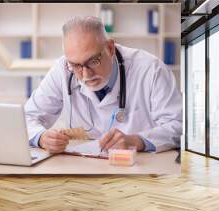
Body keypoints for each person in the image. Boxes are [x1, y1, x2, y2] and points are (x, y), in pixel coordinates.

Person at [24, 16, 182, 154]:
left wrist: (137, 141)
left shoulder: (151, 69)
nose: (86, 75)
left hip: (137, 168)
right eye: (76, 65)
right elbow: (27, 117)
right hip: (84, 168)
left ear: (110, 48)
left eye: (93, 61)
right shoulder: (63, 69)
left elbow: (178, 125)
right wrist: (41, 137)